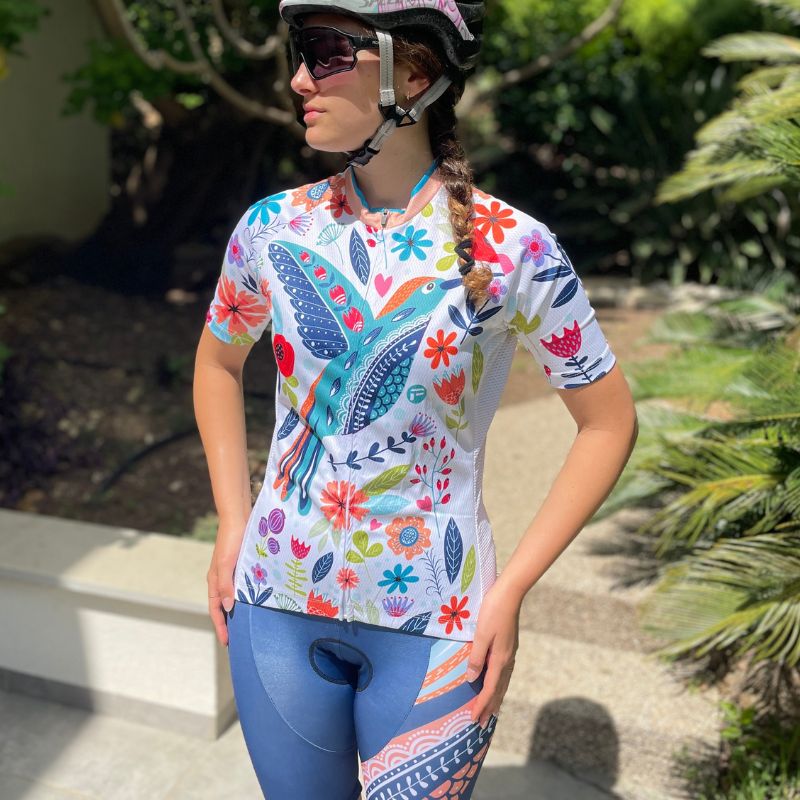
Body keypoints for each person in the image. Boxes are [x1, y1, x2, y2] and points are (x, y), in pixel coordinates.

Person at [193, 1, 638, 797]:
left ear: (415, 72)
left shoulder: (517, 248)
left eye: (327, 52)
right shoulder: (270, 230)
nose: (300, 79)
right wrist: (233, 520)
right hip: (275, 600)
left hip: (441, 625)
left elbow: (608, 423)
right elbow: (218, 366)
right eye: (300, 52)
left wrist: (511, 589)